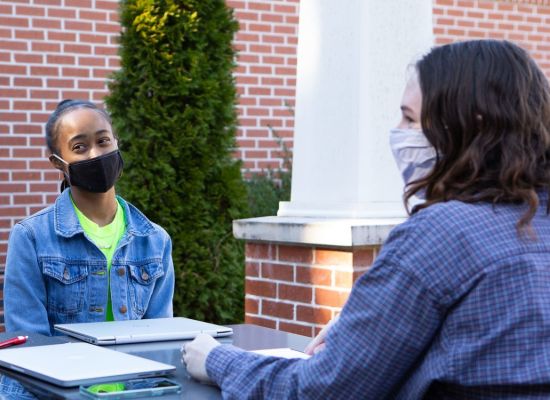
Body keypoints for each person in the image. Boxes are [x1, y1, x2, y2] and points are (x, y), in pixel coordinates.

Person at [182, 39, 550, 398]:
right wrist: (365, 331)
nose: (397, 133)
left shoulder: (441, 235)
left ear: (470, 126)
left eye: (409, 118)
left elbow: (324, 389)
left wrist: (218, 360)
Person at [3, 99, 175, 336]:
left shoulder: (156, 240)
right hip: (60, 373)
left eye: (103, 141)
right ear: (57, 162)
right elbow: (29, 340)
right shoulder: (31, 237)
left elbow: (160, 337)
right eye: (79, 147)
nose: (95, 154)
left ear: (117, 143)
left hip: (136, 373)